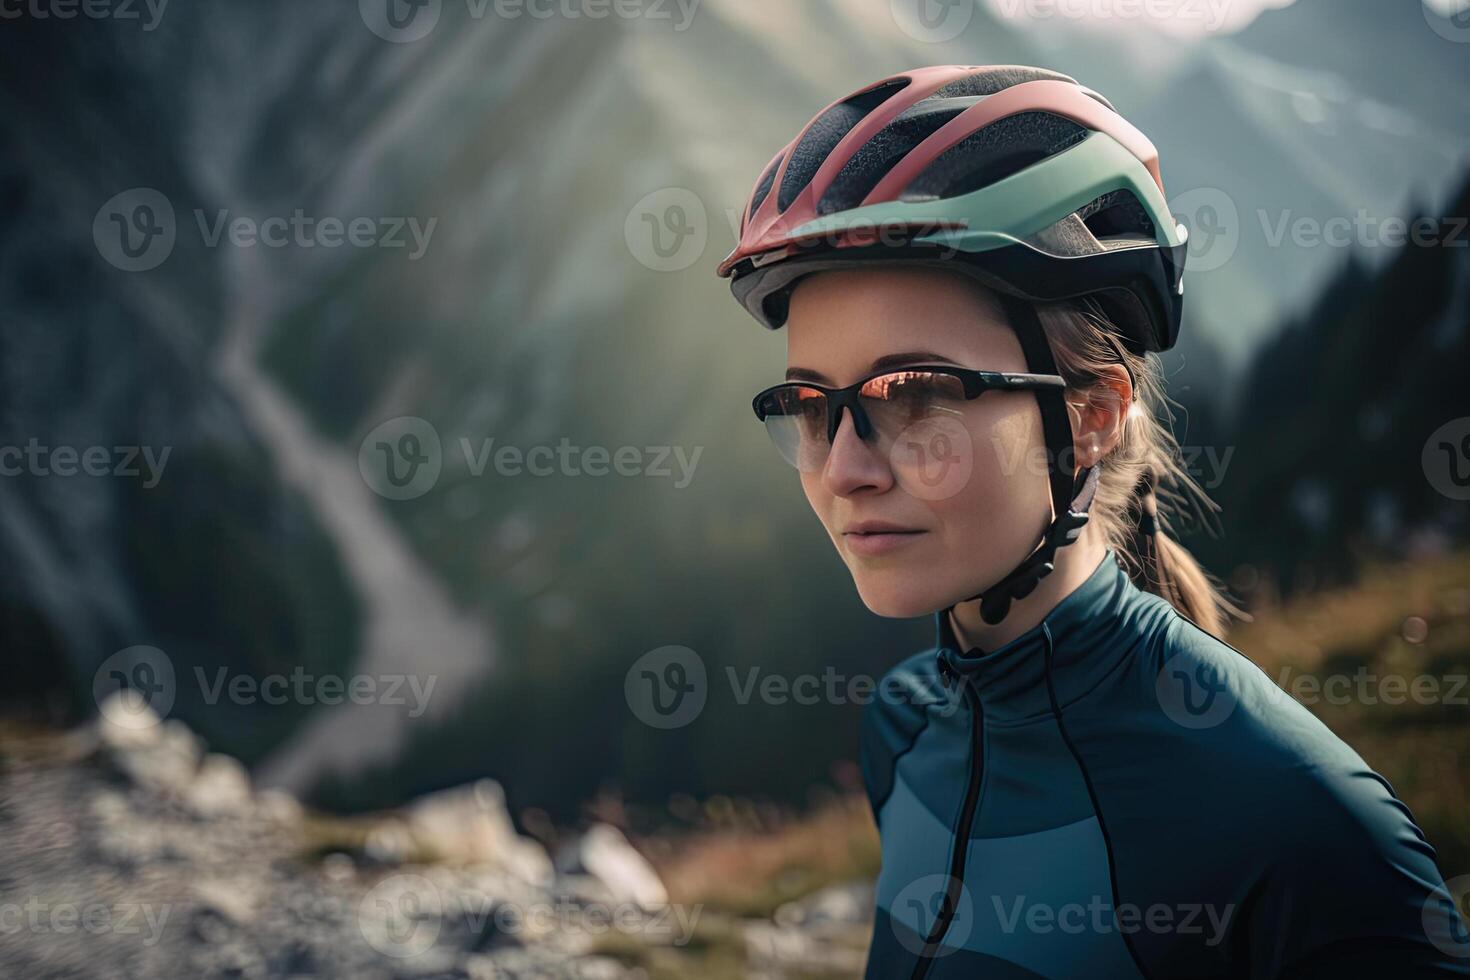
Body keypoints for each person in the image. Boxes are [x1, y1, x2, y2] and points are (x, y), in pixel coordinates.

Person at [715, 65, 1469, 978]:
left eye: (914, 395)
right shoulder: (906, 730)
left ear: (1093, 415)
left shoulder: (1298, 822)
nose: (842, 468)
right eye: (809, 403)